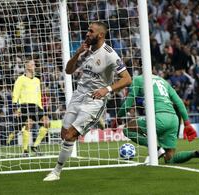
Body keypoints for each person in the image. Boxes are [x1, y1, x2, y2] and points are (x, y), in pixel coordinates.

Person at [43, 21, 132, 181]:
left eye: (91, 31)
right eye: (87, 31)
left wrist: (107, 89)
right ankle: (95, 123)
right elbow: (68, 71)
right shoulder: (86, 51)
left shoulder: (110, 54)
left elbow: (127, 79)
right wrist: (77, 53)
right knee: (64, 135)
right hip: (78, 96)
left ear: (101, 35)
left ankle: (56, 172)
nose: (87, 34)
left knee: (70, 135)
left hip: (94, 100)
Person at [113, 74, 199, 164]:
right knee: (169, 158)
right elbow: (179, 102)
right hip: (173, 120)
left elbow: (129, 102)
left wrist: (118, 117)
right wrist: (187, 123)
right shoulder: (164, 82)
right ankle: (196, 153)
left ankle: (156, 148)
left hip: (158, 118)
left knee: (127, 129)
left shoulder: (138, 79)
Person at [12, 59, 50, 156]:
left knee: (47, 123)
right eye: (32, 64)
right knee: (29, 125)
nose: (34, 66)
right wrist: (15, 108)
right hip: (25, 105)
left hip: (36, 106)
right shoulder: (20, 79)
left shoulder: (37, 80)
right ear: (27, 66)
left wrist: (41, 107)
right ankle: (25, 150)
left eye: (34, 64)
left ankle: (35, 146)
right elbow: (15, 94)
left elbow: (39, 95)